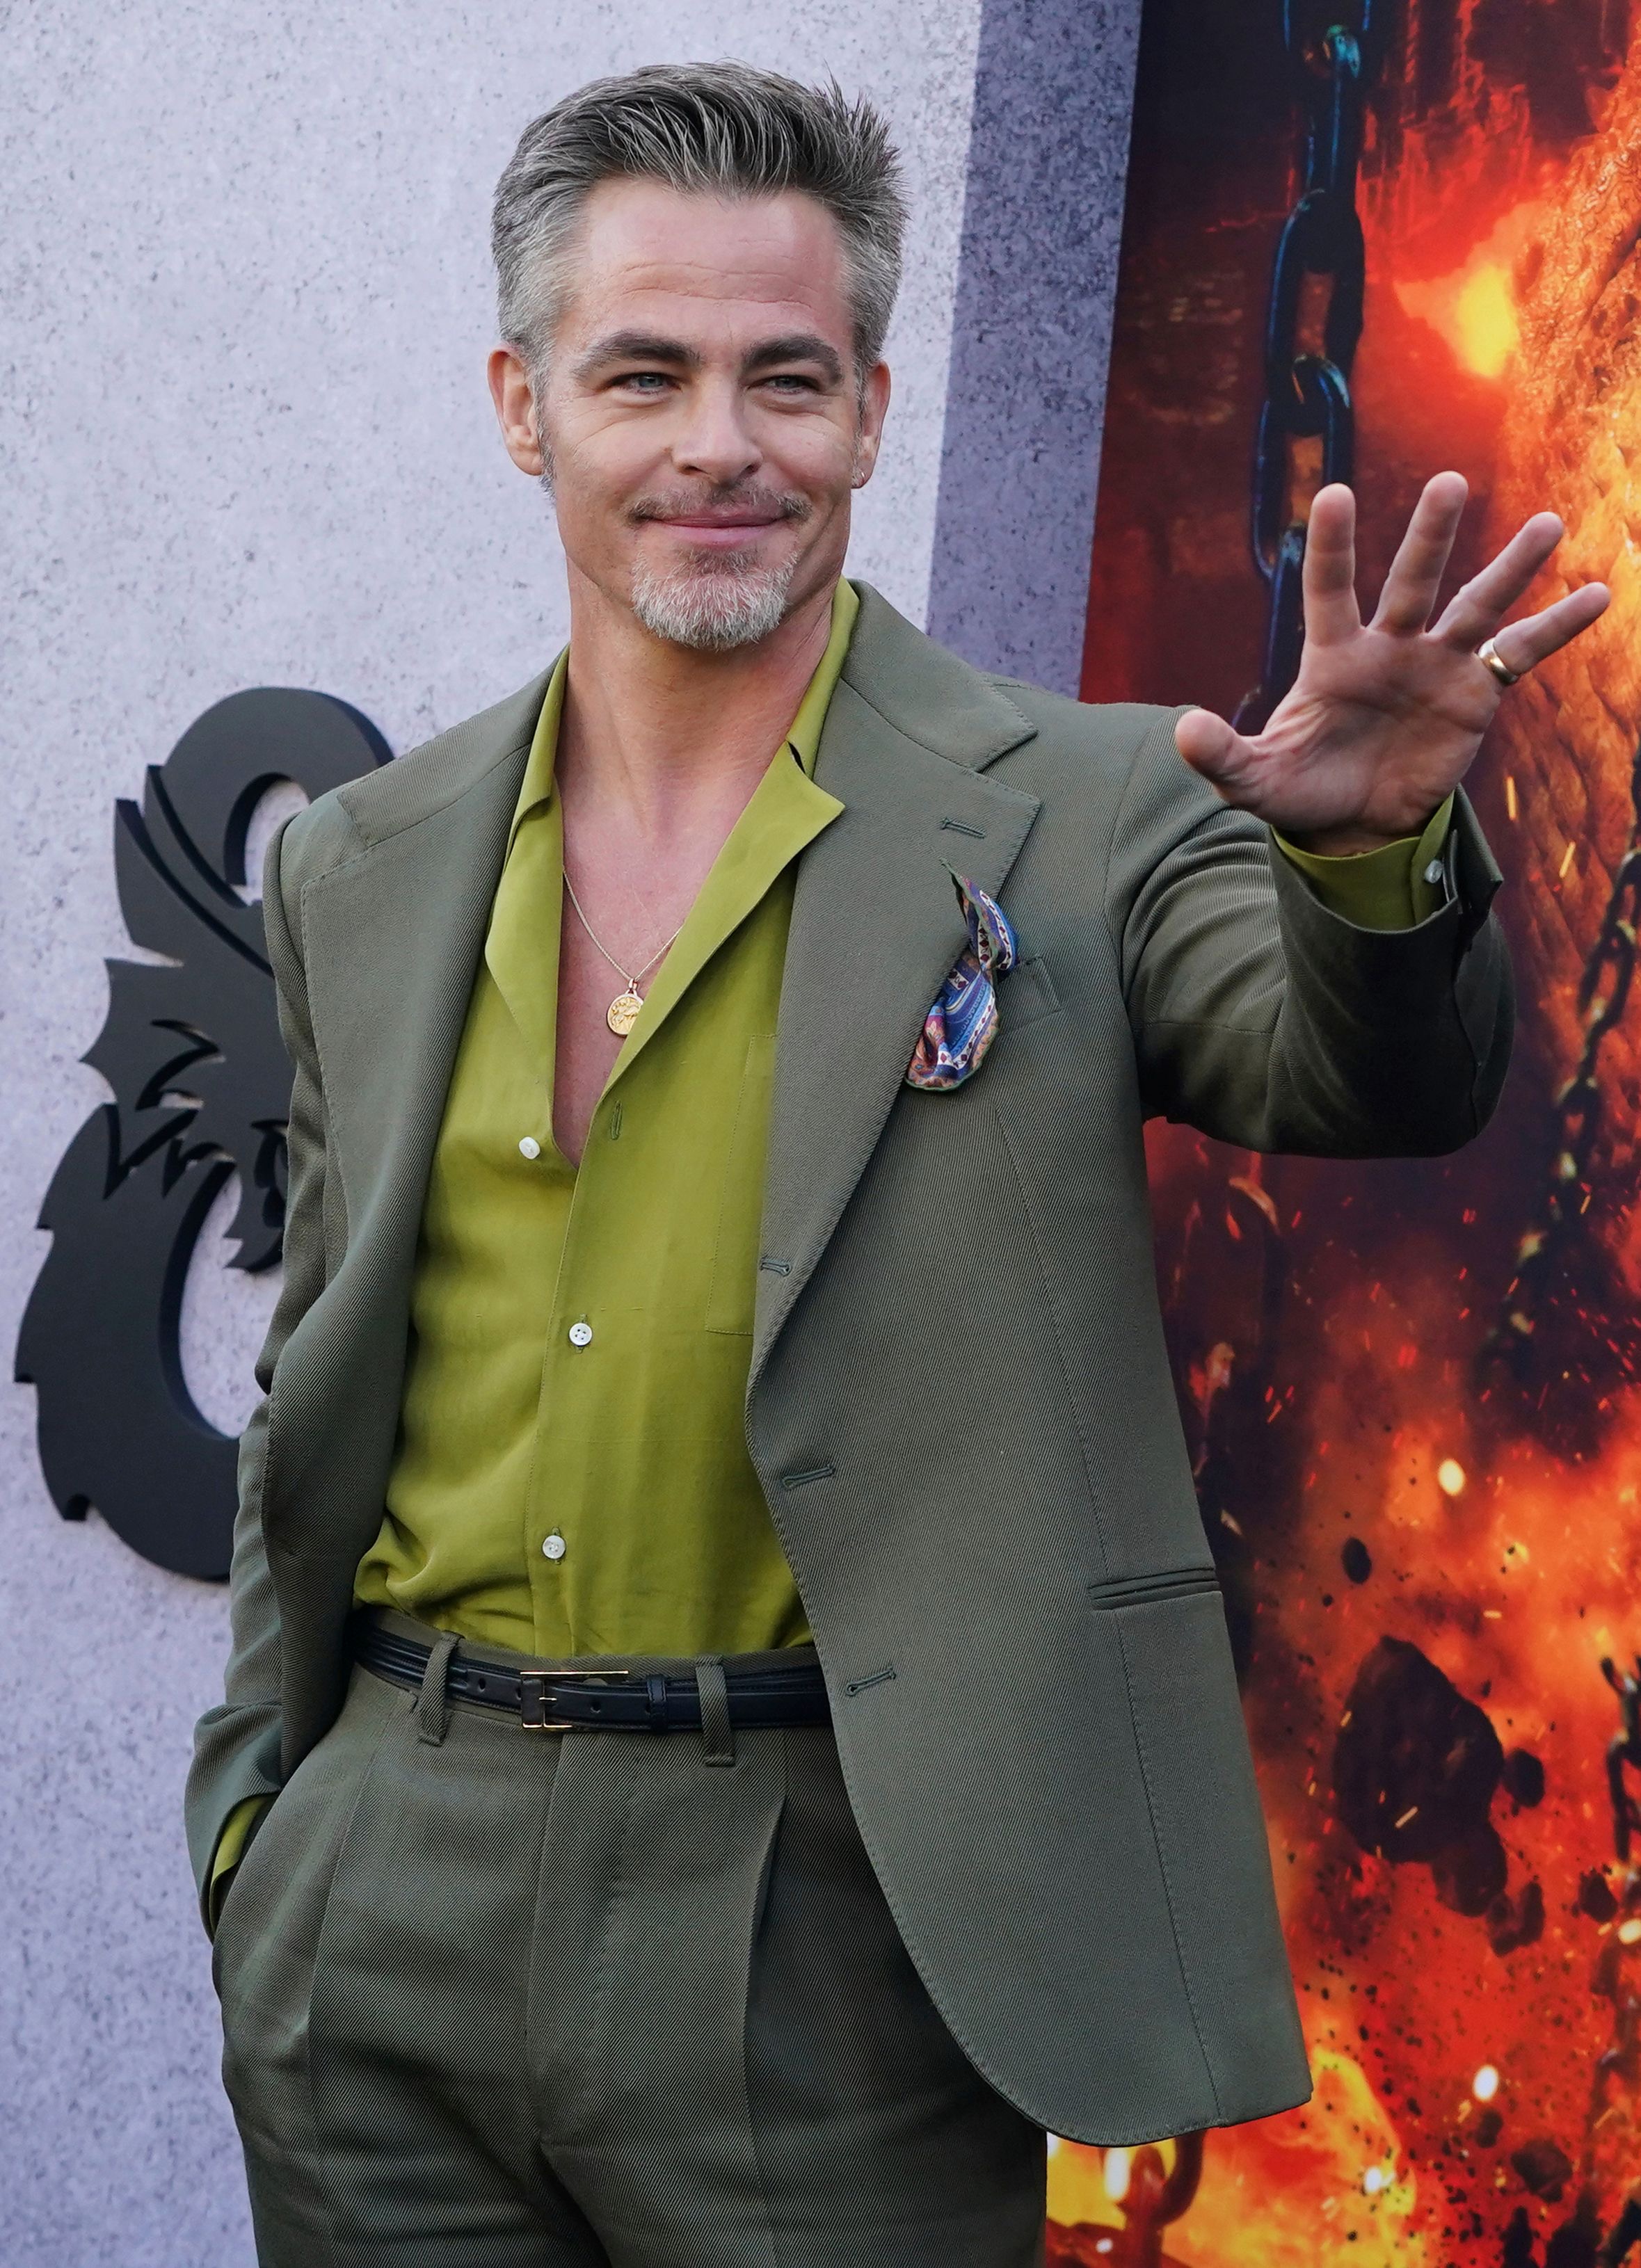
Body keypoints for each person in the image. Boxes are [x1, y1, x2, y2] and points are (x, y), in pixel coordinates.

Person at [186, 60, 1606, 2268]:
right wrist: (258, 1832)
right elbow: (325, 1358)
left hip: (829, 1921)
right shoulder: (362, 860)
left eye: (786, 376)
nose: (719, 444)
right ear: (524, 406)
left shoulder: (1103, 804)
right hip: (378, 1893)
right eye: (642, 374)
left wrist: (1370, 856)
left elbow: (1368, 1078)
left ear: (867, 409)